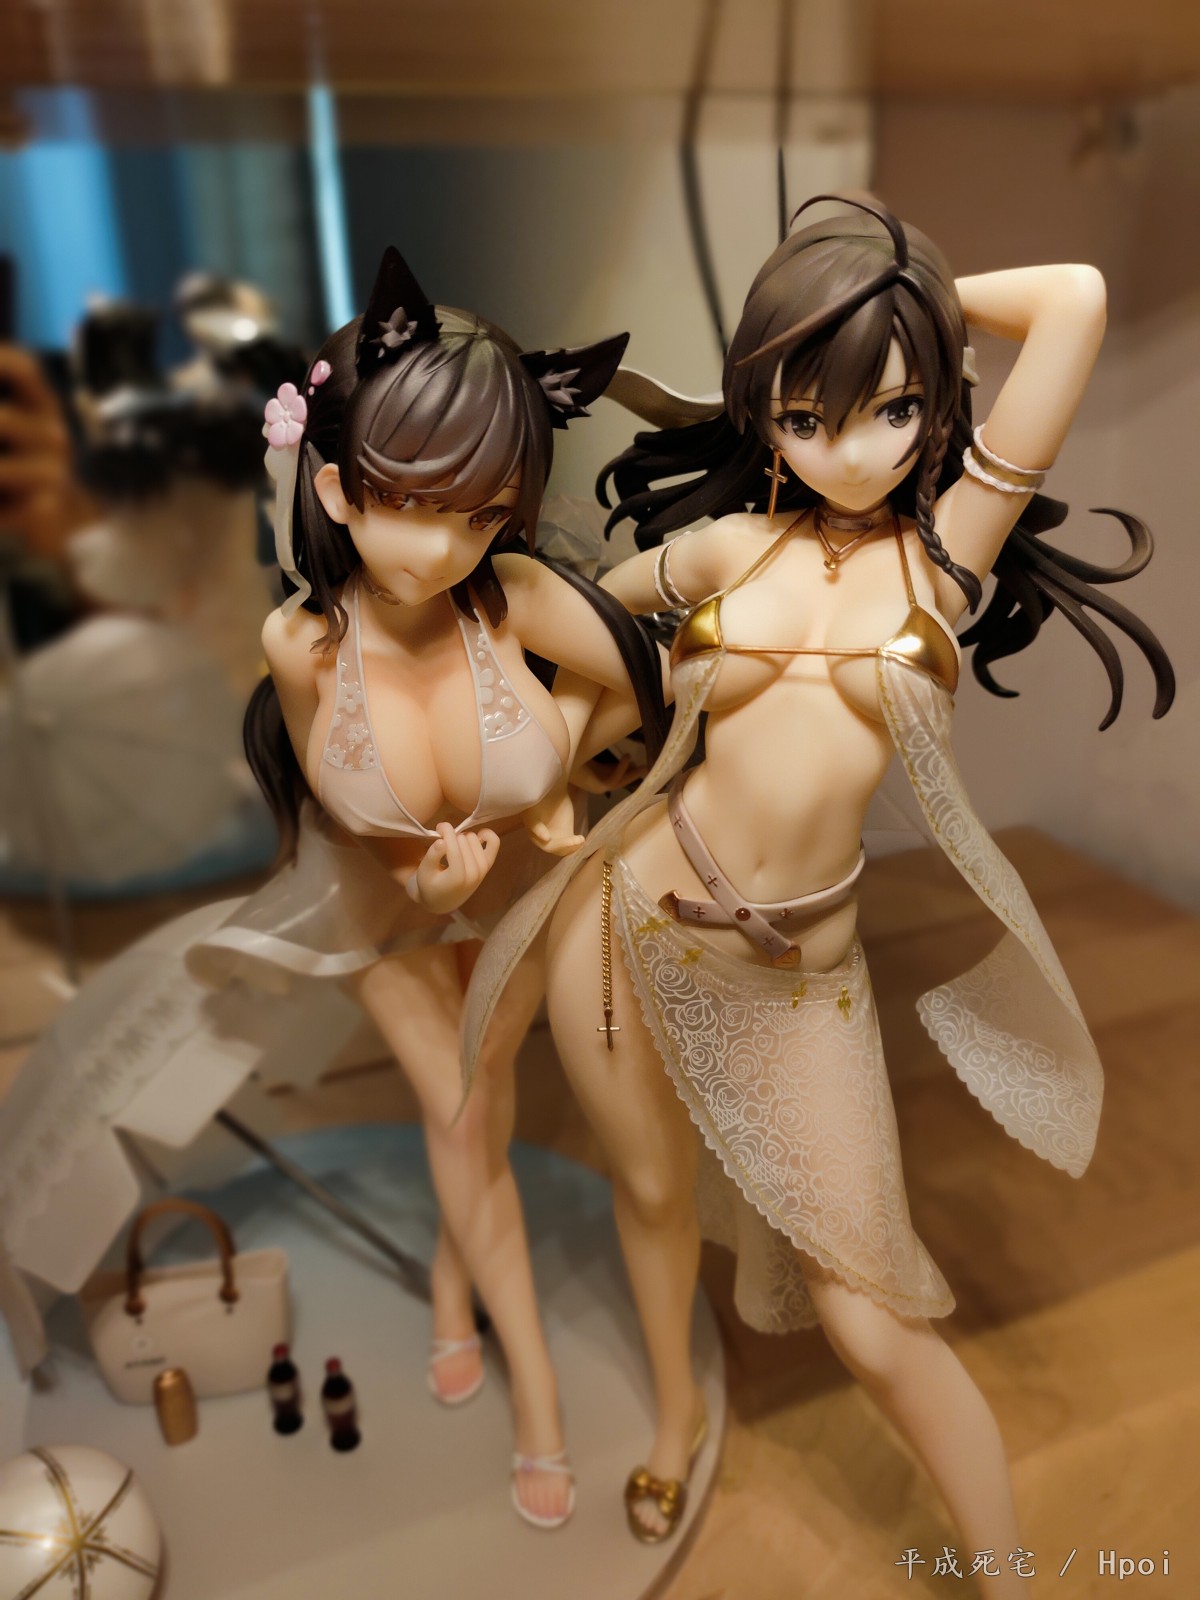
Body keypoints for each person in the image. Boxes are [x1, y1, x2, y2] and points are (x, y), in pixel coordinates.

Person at [461, 196, 1173, 1567]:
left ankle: (1007, 1575)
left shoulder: (949, 553)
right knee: (651, 1197)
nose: (848, 449)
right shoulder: (728, 548)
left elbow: (1076, 296)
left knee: (874, 1323)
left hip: (801, 979)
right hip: (628, 922)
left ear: (937, 407)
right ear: (761, 414)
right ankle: (678, 1421)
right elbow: (591, 633)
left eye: (891, 409)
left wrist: (893, 292)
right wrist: (565, 755)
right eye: (805, 415)